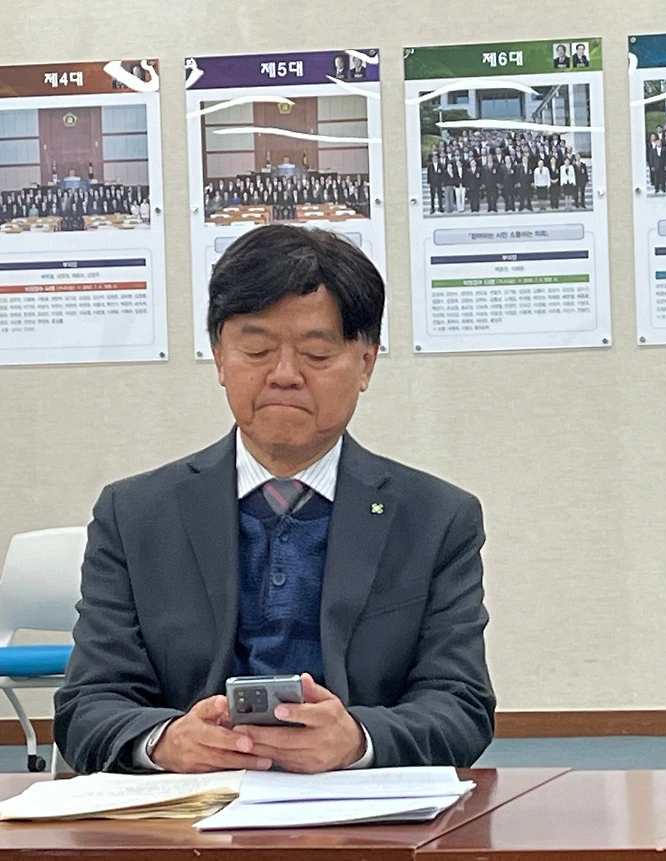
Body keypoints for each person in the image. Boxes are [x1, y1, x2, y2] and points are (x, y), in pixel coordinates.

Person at [54, 225, 497, 774]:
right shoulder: (135, 514)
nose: (284, 375)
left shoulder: (435, 518)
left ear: (365, 364)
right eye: (257, 350)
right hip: (191, 808)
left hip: (357, 806)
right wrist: (167, 741)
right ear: (220, 357)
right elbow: (87, 704)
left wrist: (357, 740)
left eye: (316, 353)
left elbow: (460, 705)